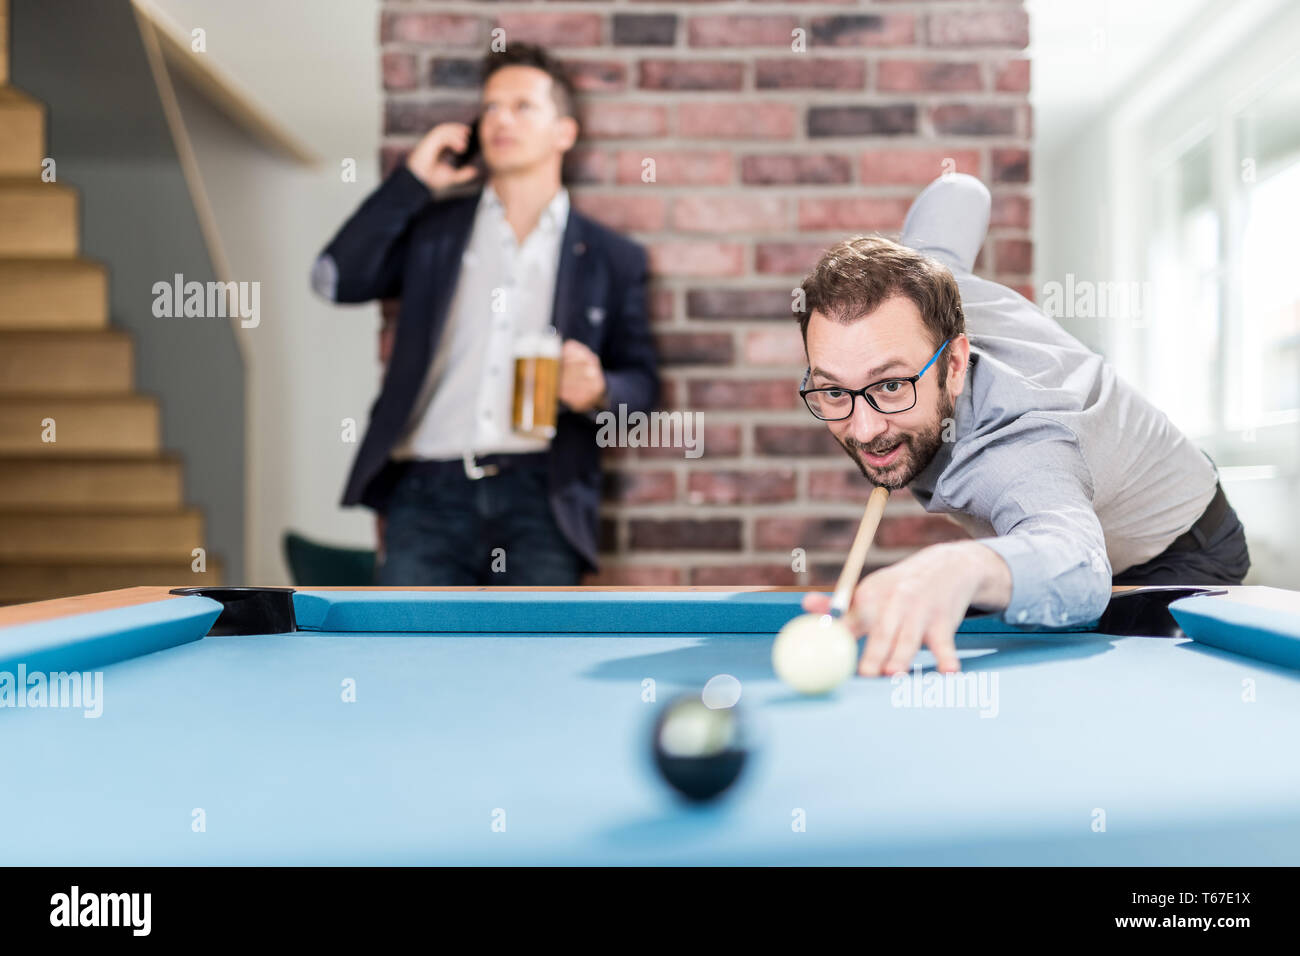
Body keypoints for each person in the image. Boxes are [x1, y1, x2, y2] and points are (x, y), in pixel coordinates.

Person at [797, 173, 1250, 676]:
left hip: (1178, 548)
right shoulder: (929, 285)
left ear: (952, 365)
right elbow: (963, 192)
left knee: (1112, 693)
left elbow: (1080, 567)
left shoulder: (1016, 447)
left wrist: (959, 565)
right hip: (1091, 502)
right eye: (835, 391)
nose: (863, 430)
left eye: (890, 386)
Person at [312, 43, 659, 585]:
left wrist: (598, 391)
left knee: (538, 669)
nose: (500, 119)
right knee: (405, 666)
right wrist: (412, 183)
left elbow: (643, 386)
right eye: (491, 107)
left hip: (543, 499)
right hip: (425, 495)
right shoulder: (436, 229)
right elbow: (332, 278)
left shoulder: (613, 258)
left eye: (522, 106)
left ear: (564, 132)